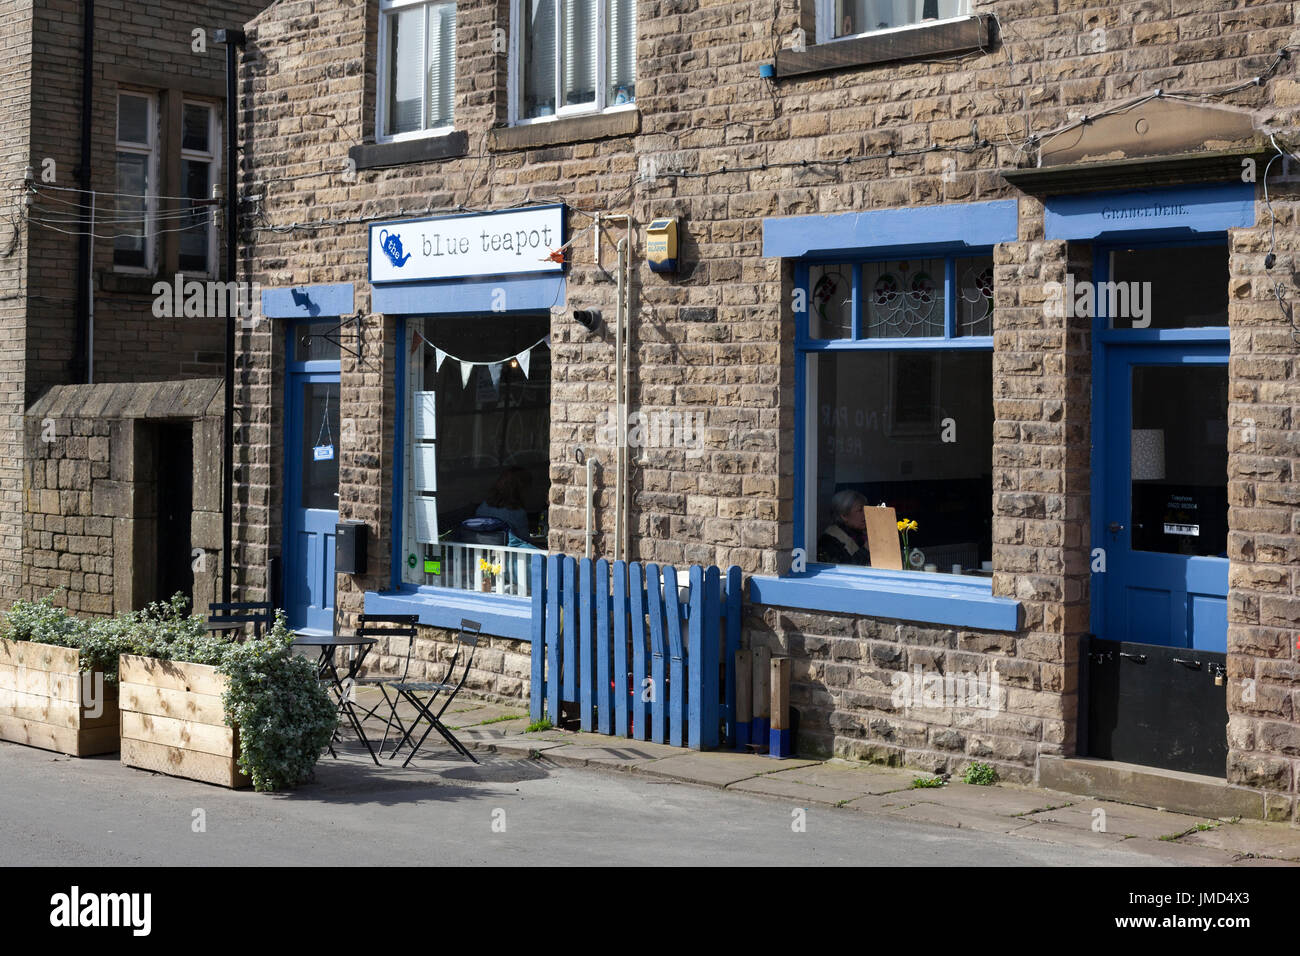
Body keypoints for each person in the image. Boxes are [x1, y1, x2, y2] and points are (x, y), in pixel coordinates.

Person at [476, 467, 533, 541]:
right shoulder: (518, 512)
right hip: (509, 551)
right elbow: (524, 540)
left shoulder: (483, 506)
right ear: (521, 488)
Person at [817, 489, 870, 565]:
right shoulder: (829, 542)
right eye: (860, 510)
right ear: (844, 515)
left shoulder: (861, 534)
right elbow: (842, 571)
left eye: (866, 510)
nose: (865, 514)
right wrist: (866, 549)